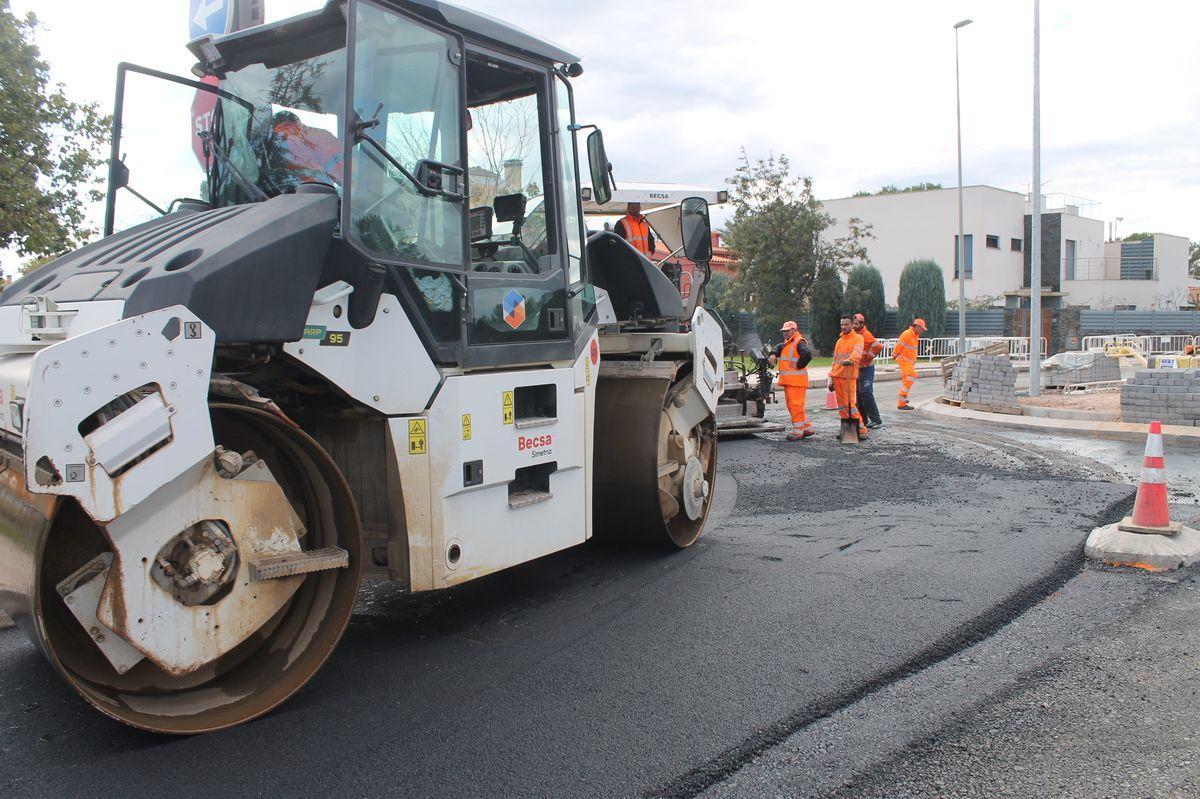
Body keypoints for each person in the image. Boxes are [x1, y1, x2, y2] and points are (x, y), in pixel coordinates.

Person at [769, 320, 814, 441]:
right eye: (783, 331)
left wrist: (799, 365)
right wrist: (773, 354)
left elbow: (807, 354)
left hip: (796, 381)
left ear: (794, 330)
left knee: (795, 405)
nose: (785, 333)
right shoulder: (789, 342)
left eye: (787, 331)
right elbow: (779, 347)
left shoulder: (799, 342)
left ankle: (798, 430)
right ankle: (805, 427)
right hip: (792, 381)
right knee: (796, 405)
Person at [828, 315, 867, 438]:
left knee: (850, 404)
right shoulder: (839, 341)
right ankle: (847, 429)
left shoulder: (858, 338)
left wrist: (851, 360)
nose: (843, 327)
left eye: (846, 324)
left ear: (852, 325)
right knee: (842, 406)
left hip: (848, 377)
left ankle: (861, 430)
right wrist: (831, 378)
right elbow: (835, 361)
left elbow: (857, 352)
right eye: (842, 324)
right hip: (837, 376)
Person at [853, 313, 884, 428]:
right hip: (857, 369)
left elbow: (878, 346)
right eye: (853, 324)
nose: (854, 326)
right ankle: (863, 420)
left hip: (866, 368)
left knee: (866, 393)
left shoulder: (866, 335)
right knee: (858, 395)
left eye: (856, 324)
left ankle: (876, 419)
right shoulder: (854, 335)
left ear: (862, 324)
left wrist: (868, 357)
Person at [895, 317, 927, 410]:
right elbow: (898, 347)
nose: (922, 331)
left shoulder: (914, 335)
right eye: (922, 329)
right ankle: (902, 396)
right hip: (903, 361)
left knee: (906, 380)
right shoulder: (907, 334)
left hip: (908, 362)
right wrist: (894, 355)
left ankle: (901, 403)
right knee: (913, 375)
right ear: (917, 326)